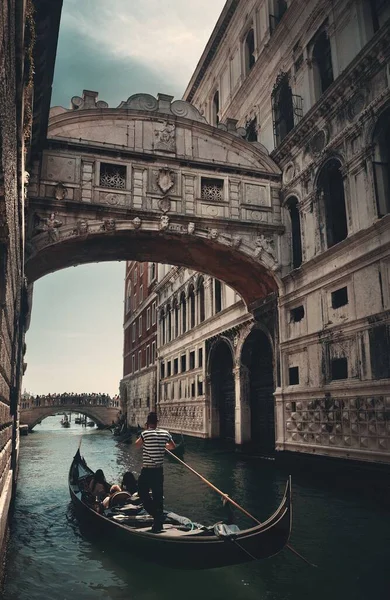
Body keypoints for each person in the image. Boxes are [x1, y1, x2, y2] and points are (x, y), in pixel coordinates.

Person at [135, 411, 175, 533]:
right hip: (159, 471)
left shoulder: (145, 434)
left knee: (142, 493)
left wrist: (145, 433)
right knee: (158, 497)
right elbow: (172, 446)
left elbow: (137, 445)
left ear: (148, 423)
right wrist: (162, 446)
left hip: (147, 470)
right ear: (157, 422)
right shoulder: (165, 433)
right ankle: (158, 524)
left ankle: (157, 516)